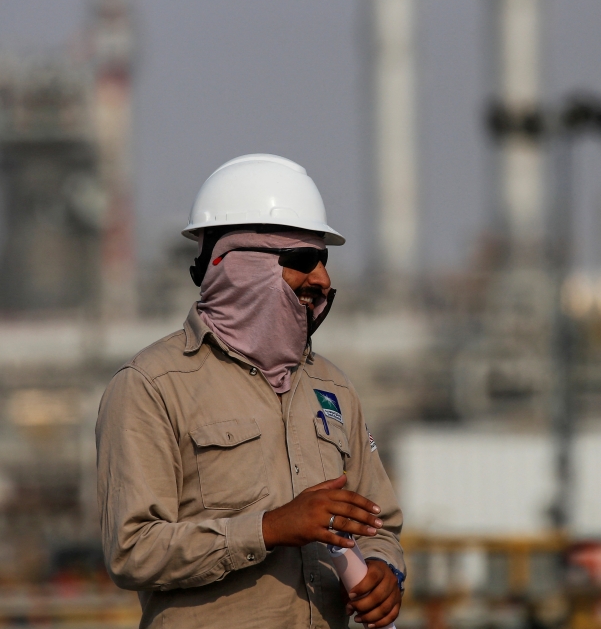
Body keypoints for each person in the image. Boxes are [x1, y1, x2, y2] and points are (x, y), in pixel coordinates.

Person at [96, 154, 406, 628]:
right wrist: (269, 529)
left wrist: (385, 569)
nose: (322, 280)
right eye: (303, 261)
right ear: (239, 268)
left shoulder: (334, 388)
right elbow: (133, 550)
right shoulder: (151, 387)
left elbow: (381, 523)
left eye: (324, 261)